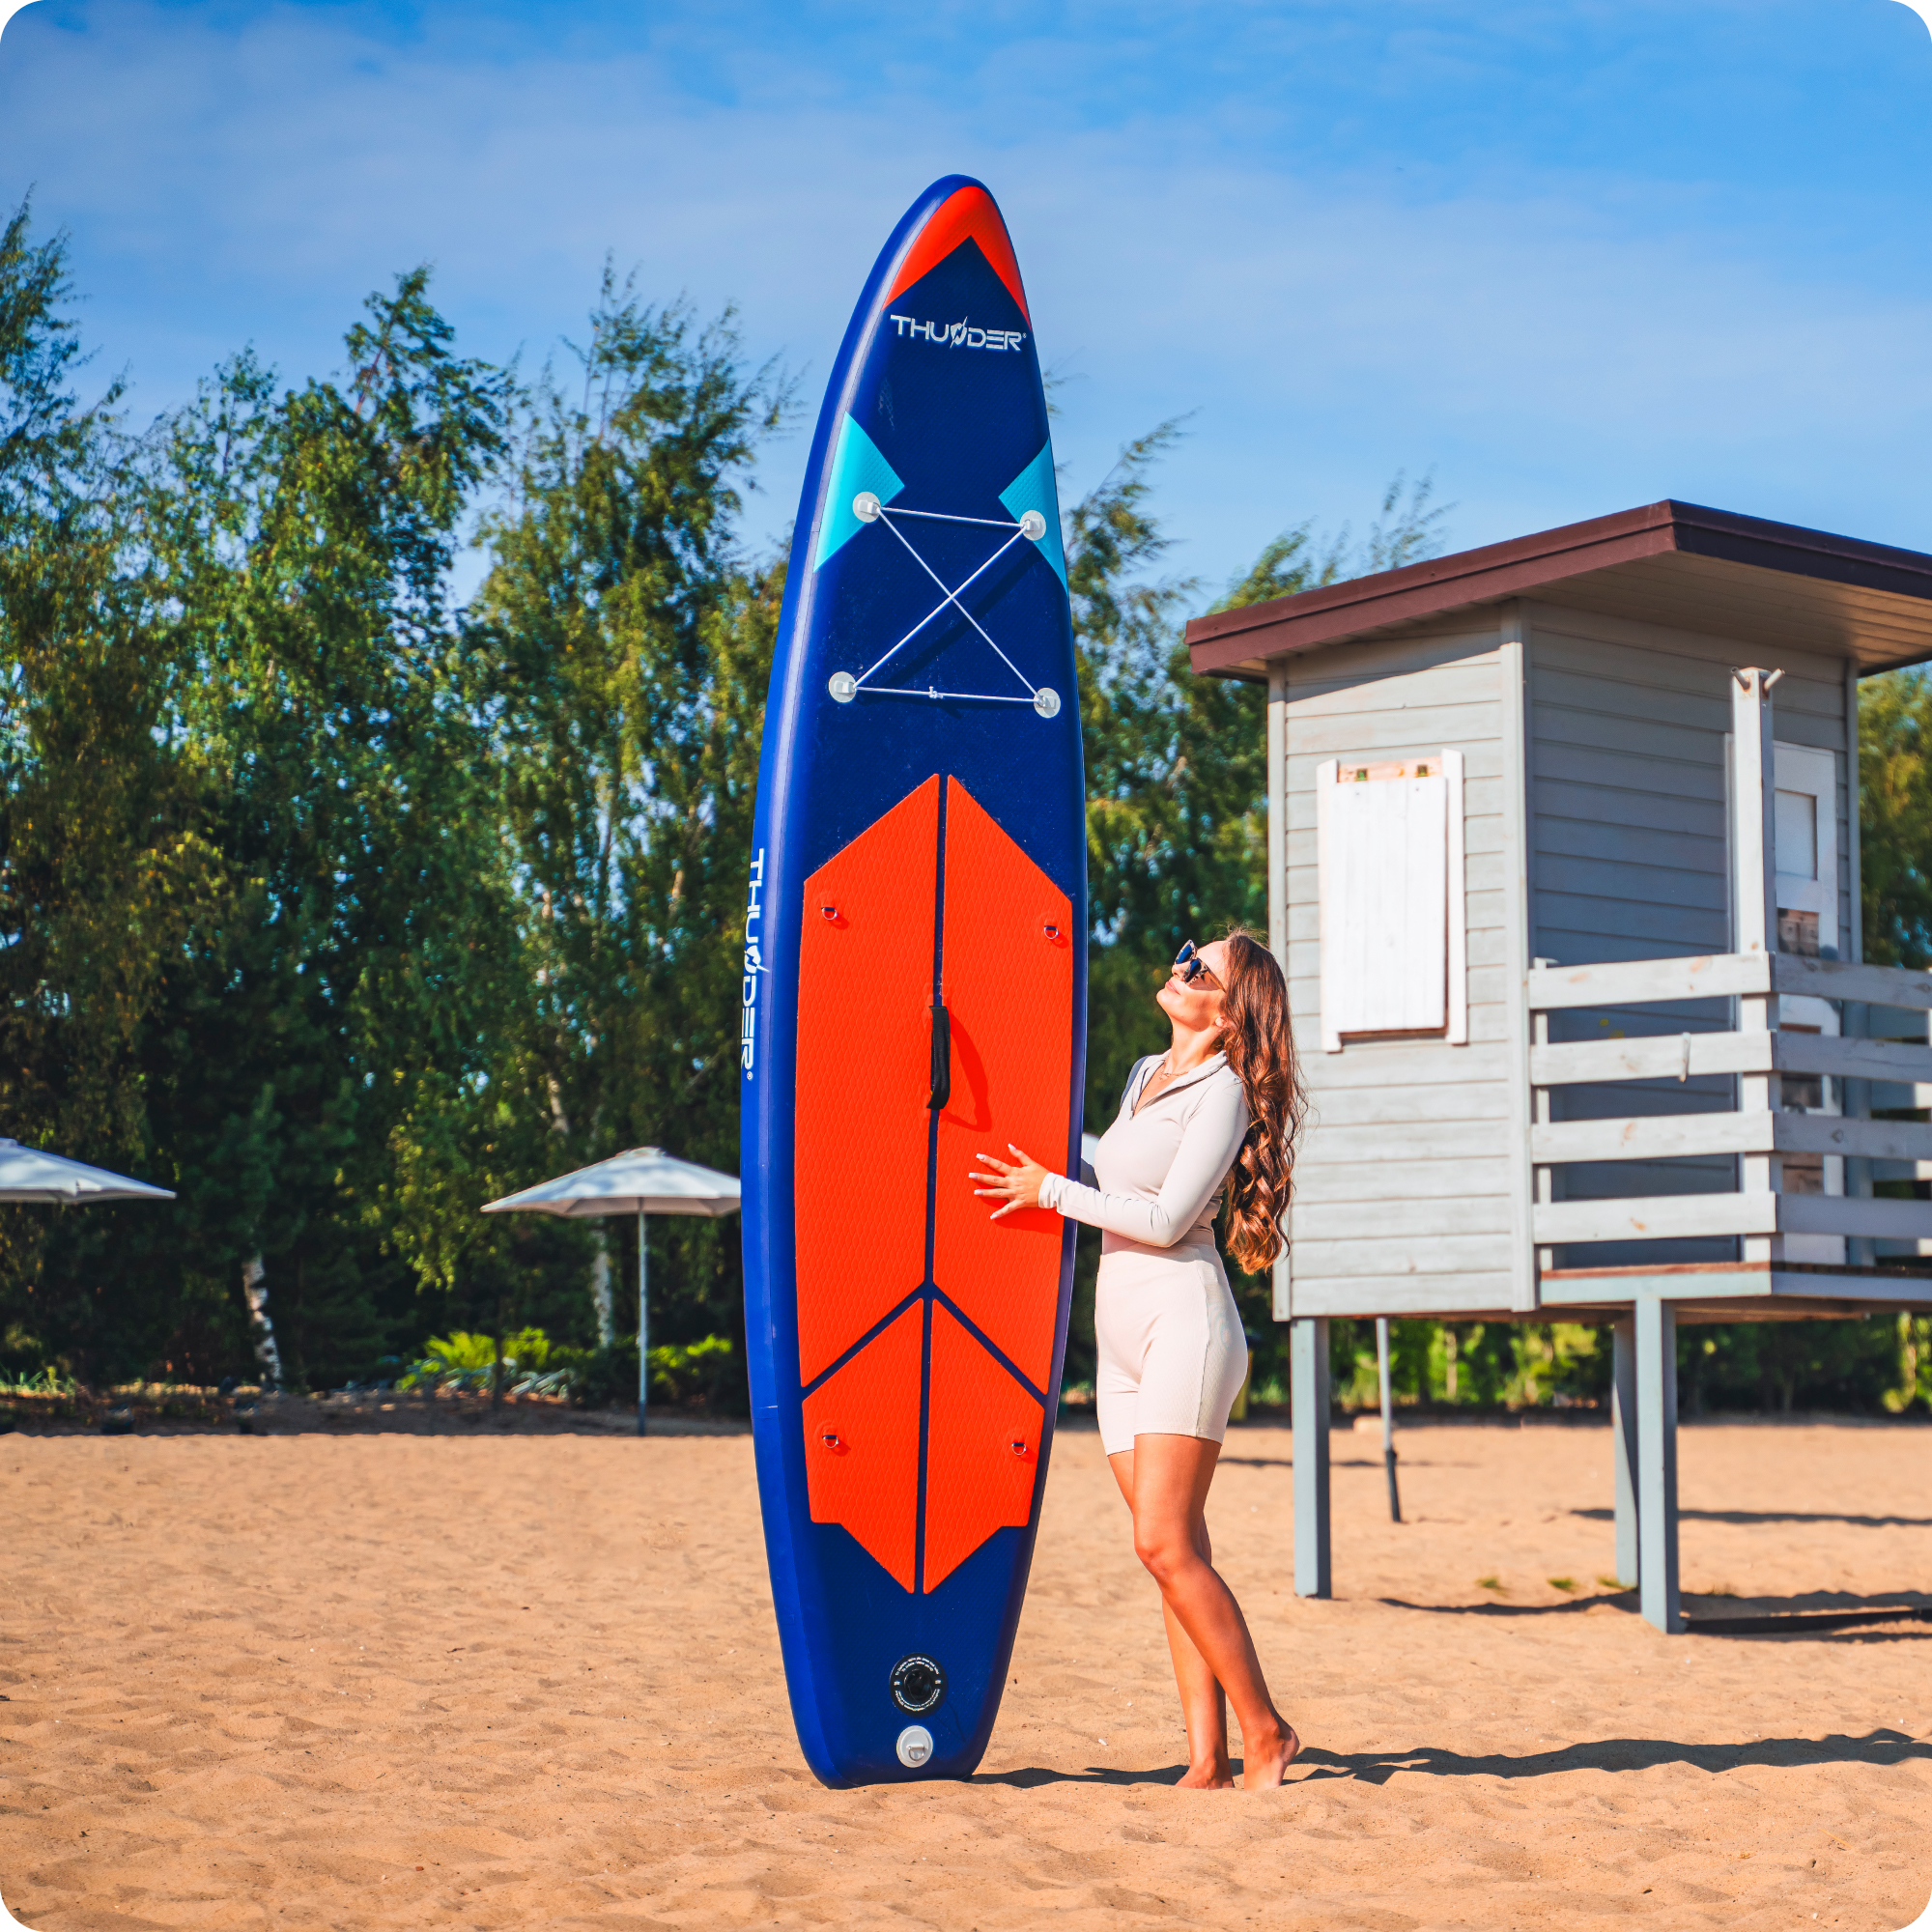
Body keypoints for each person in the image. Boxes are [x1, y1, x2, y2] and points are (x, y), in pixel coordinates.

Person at [971, 928, 1304, 1790]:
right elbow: (1103, 1167)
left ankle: (1268, 1734)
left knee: (1162, 1544)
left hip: (1181, 1324)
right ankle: (1208, 1758)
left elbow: (1159, 1219)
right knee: (1172, 1548)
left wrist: (1046, 1190)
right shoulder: (1143, 1075)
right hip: (1117, 1338)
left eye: (1201, 968)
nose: (1180, 965)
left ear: (1230, 1013)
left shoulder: (1223, 1091)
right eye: (1186, 952)